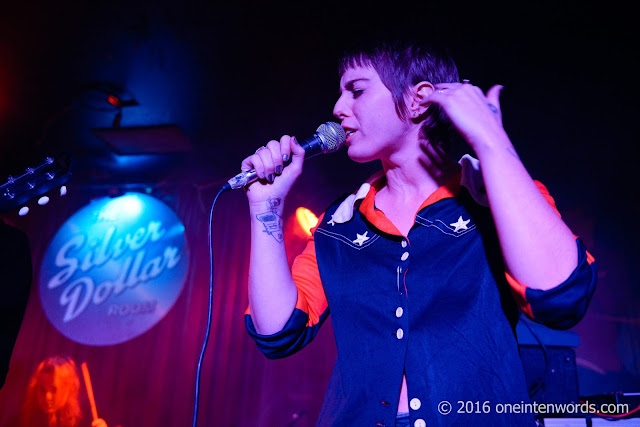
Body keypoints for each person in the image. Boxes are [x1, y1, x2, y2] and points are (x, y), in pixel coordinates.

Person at [241, 40, 597, 426]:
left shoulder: (496, 198)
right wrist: (266, 207)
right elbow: (276, 332)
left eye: (356, 90)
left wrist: (491, 141)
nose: (338, 108)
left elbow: (563, 297)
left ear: (417, 100)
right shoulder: (339, 226)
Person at [20, 356, 109, 427]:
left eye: (54, 389)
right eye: (42, 390)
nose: (47, 396)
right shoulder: (24, 419)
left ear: (68, 390)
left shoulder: (84, 421)